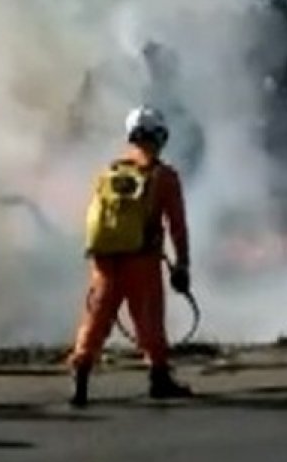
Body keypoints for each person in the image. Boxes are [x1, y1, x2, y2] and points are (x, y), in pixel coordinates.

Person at [67, 105, 194, 408]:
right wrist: (182, 264)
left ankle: (81, 374)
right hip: (142, 260)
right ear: (160, 136)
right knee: (150, 321)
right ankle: (159, 377)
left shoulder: (108, 173)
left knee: (96, 317)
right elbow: (177, 226)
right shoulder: (163, 176)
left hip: (105, 260)